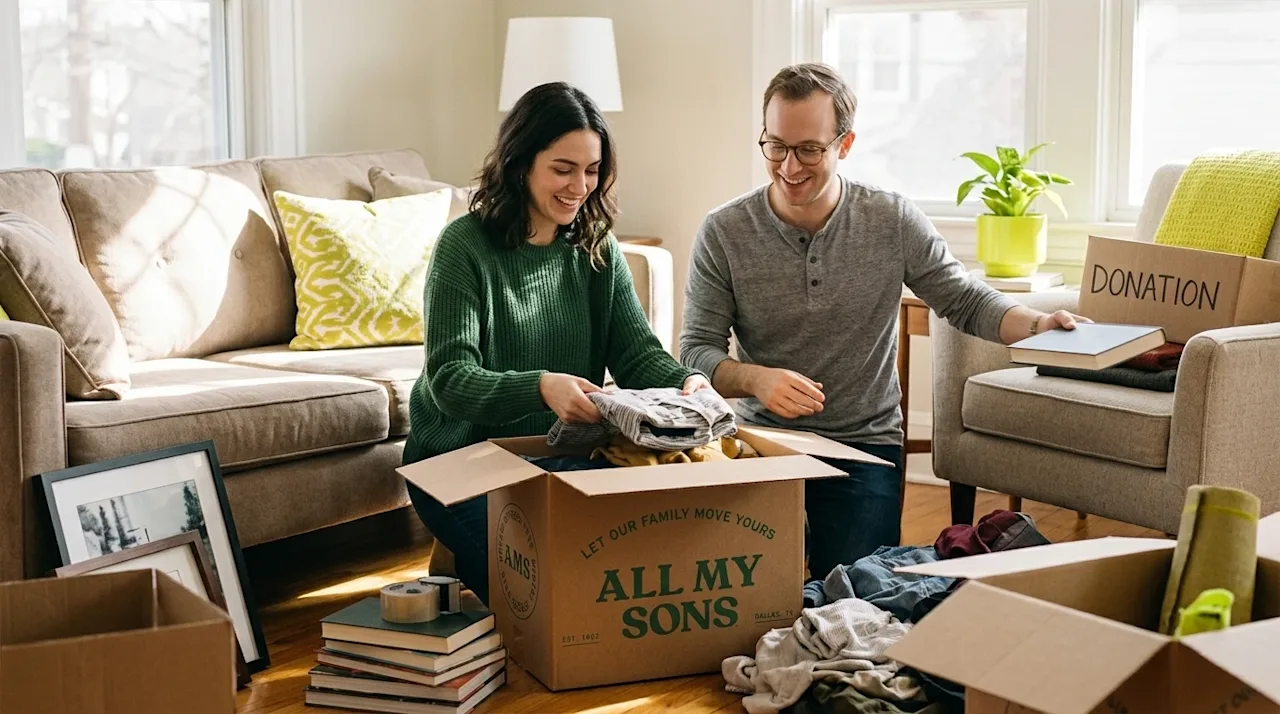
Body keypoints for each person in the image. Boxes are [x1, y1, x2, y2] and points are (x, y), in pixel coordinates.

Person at [678, 63, 1086, 582]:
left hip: (864, 444)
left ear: (844, 145)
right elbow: (696, 350)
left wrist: (1036, 324)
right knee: (754, 596)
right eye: (775, 146)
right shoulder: (724, 230)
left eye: (809, 149)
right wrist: (755, 377)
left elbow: (962, 299)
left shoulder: (890, 219)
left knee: (854, 599)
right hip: (762, 442)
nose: (789, 165)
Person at [402, 82, 711, 605]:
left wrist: (687, 381)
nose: (579, 186)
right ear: (522, 163)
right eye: (562, 169)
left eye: (591, 170)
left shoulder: (596, 249)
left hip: (555, 457)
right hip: (457, 462)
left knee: (628, 570)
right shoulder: (464, 246)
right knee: (551, 595)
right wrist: (541, 387)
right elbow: (451, 381)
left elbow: (636, 353)